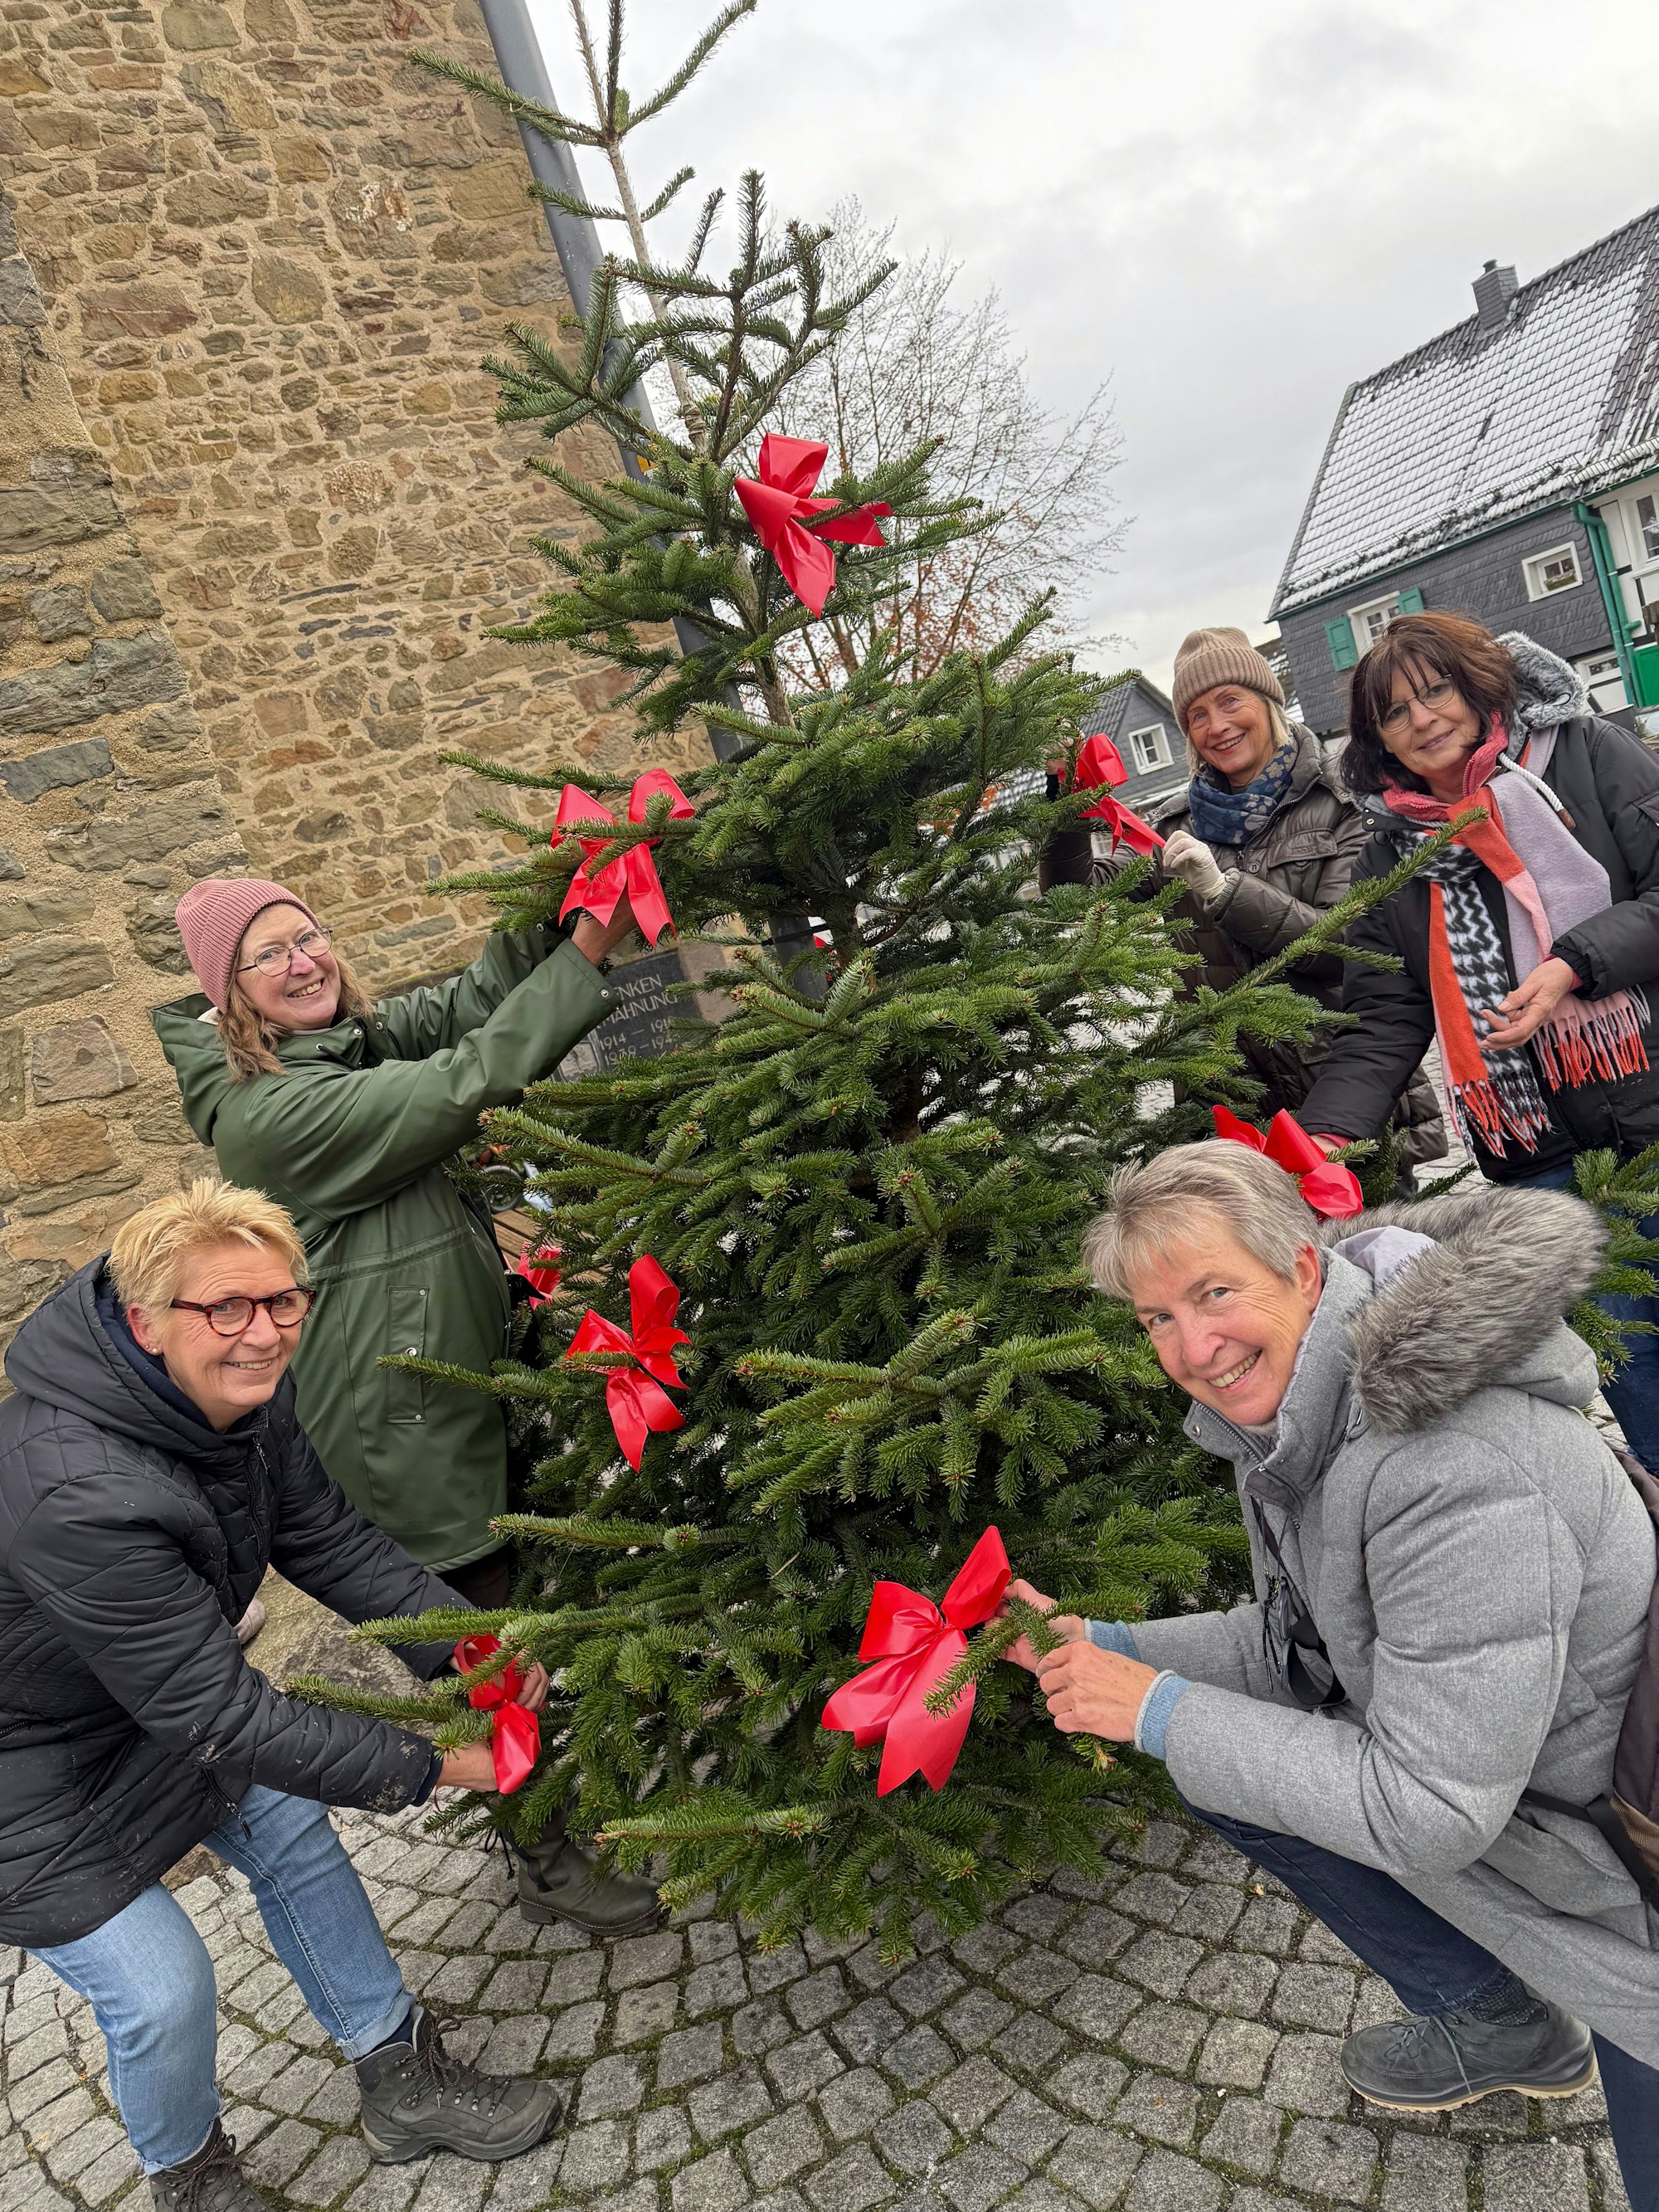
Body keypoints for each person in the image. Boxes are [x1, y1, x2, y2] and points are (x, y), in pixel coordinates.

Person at [1003, 1140, 1658, 2210]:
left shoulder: (1452, 1465)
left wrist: (1158, 1709)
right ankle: (1496, 2018)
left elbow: (1431, 1807)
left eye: (1214, 1292)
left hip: (1629, 1884)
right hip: (1538, 1813)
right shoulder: (1307, 1407)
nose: (1191, 1345)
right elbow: (1295, 1648)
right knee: (1217, 1759)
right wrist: (1110, 1645)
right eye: (1156, 1316)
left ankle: (1516, 2020)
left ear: (1304, 1267)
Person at [0, 1182, 566, 2212]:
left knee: (292, 1826)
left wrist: (467, 1648)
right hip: (22, 1771)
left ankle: (398, 2073)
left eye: (281, 1302)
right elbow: (222, 1715)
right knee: (163, 1990)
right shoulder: (74, 1489)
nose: (261, 1333)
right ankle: (193, 2176)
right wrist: (441, 1764)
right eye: (224, 1307)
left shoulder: (240, 1393)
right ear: (143, 1320)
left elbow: (325, 1537)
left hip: (149, 1695)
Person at [154, 876, 659, 1935]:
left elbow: (463, 1004)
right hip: (396, 1421)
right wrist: (591, 952)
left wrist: (556, 895)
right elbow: (463, 1078)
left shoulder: (337, 1044)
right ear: (228, 995)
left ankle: (564, 1794)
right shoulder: (270, 1114)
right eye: (270, 954)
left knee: (515, 1608)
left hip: (448, 1387)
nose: (305, 961)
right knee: (478, 1643)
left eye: (312, 933)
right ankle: (546, 1855)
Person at [1295, 612, 1659, 1469]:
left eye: (1435, 691)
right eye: (1393, 711)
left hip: (1648, 1110)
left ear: (1476, 685)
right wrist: (1323, 1134)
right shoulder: (1388, 851)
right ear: (1375, 737)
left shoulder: (1583, 754)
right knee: (1630, 1367)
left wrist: (1575, 962)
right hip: (1538, 1155)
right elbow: (1383, 1017)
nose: (1421, 719)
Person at [1042, 626, 1443, 1170]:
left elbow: (1347, 948)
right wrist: (1066, 796)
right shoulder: (1173, 824)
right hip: (1231, 1112)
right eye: (1198, 715)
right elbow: (1071, 893)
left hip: (1342, 1097)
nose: (1218, 726)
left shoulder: (1343, 802)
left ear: (1269, 700)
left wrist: (1223, 891)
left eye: (1231, 701)